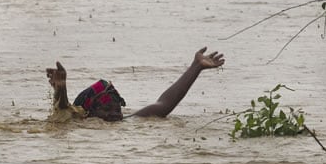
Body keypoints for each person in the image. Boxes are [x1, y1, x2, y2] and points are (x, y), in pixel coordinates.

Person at [46, 47, 226, 122]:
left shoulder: (129, 122)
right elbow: (64, 112)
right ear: (89, 113)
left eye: (117, 109)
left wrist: (196, 67)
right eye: (107, 109)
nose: (115, 115)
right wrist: (61, 90)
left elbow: (164, 105)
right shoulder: (81, 122)